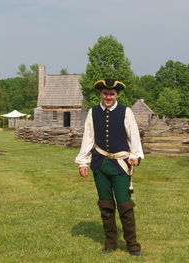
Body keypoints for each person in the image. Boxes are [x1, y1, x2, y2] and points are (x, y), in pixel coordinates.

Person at [75, 79, 144, 257]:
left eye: (112, 94)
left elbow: (134, 134)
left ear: (117, 95)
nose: (108, 97)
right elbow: (88, 137)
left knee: (125, 205)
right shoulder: (93, 112)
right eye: (105, 93)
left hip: (121, 165)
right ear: (101, 94)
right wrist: (84, 162)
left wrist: (135, 155)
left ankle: (133, 246)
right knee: (105, 205)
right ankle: (110, 243)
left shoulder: (125, 112)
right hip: (100, 165)